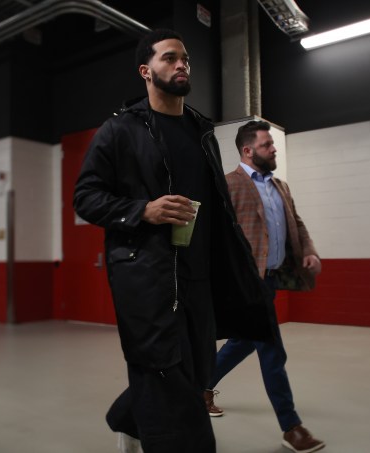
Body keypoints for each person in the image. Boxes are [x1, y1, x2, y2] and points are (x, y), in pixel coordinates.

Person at [73, 29, 274, 453]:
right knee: (172, 387)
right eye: (170, 58)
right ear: (146, 71)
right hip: (147, 279)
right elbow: (85, 198)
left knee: (196, 373)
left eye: (185, 58)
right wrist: (142, 210)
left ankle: (125, 417)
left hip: (198, 279)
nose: (182, 64)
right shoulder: (119, 131)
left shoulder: (201, 130)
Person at [205, 120, 325, 453]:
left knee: (244, 342)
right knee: (272, 349)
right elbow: (214, 234)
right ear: (247, 150)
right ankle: (292, 427)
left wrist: (309, 252)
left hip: (270, 279)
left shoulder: (279, 186)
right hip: (244, 282)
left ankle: (201, 387)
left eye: (272, 144)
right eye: (266, 144)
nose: (273, 149)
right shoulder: (228, 185)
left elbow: (297, 225)